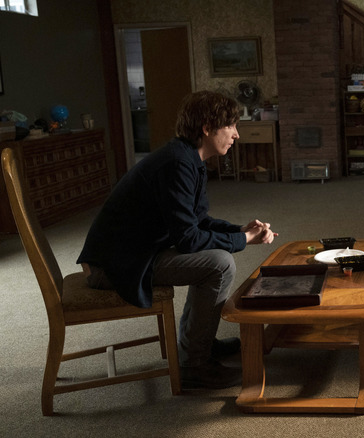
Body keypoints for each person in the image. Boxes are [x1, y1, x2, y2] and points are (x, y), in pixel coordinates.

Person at [77, 90, 277, 388]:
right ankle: (195, 364)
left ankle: (197, 344)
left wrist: (238, 230)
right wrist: (244, 240)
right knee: (219, 264)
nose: (236, 134)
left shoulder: (187, 158)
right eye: (230, 126)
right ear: (207, 128)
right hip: (114, 266)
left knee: (216, 259)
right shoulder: (177, 163)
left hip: (135, 253)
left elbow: (196, 220)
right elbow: (189, 240)